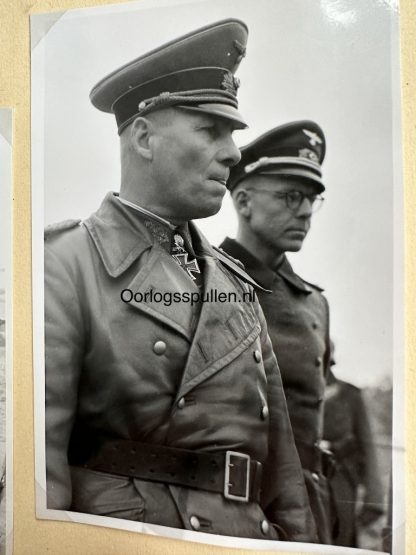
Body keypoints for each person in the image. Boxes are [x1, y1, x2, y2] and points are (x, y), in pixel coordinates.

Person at [44, 20, 316, 542]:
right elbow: (42, 473)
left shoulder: (234, 285)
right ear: (144, 138)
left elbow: (283, 474)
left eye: (233, 134)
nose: (234, 154)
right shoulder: (66, 264)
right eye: (210, 130)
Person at [220, 121, 334, 543]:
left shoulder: (313, 302)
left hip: (309, 506)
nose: (305, 211)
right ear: (244, 201)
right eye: (291, 196)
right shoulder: (201, 282)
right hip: (236, 506)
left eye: (310, 199)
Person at [322, 367, 385, 547]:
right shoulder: (291, 390)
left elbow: (367, 446)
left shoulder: (350, 395)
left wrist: (373, 500)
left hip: (340, 484)